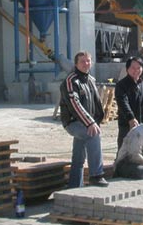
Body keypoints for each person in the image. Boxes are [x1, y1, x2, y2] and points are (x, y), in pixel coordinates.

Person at [59, 51, 109, 188]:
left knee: (78, 157)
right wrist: (90, 123)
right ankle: (96, 175)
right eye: (82, 61)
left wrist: (96, 121)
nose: (86, 64)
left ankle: (74, 186)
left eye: (88, 61)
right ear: (76, 64)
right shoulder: (70, 81)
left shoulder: (90, 80)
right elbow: (74, 104)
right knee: (93, 135)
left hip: (87, 123)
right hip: (73, 122)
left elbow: (96, 103)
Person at [115, 56, 143, 148]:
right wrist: (131, 118)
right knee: (126, 150)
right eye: (133, 68)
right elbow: (123, 103)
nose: (136, 70)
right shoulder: (121, 85)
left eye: (138, 68)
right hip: (127, 125)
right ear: (127, 69)